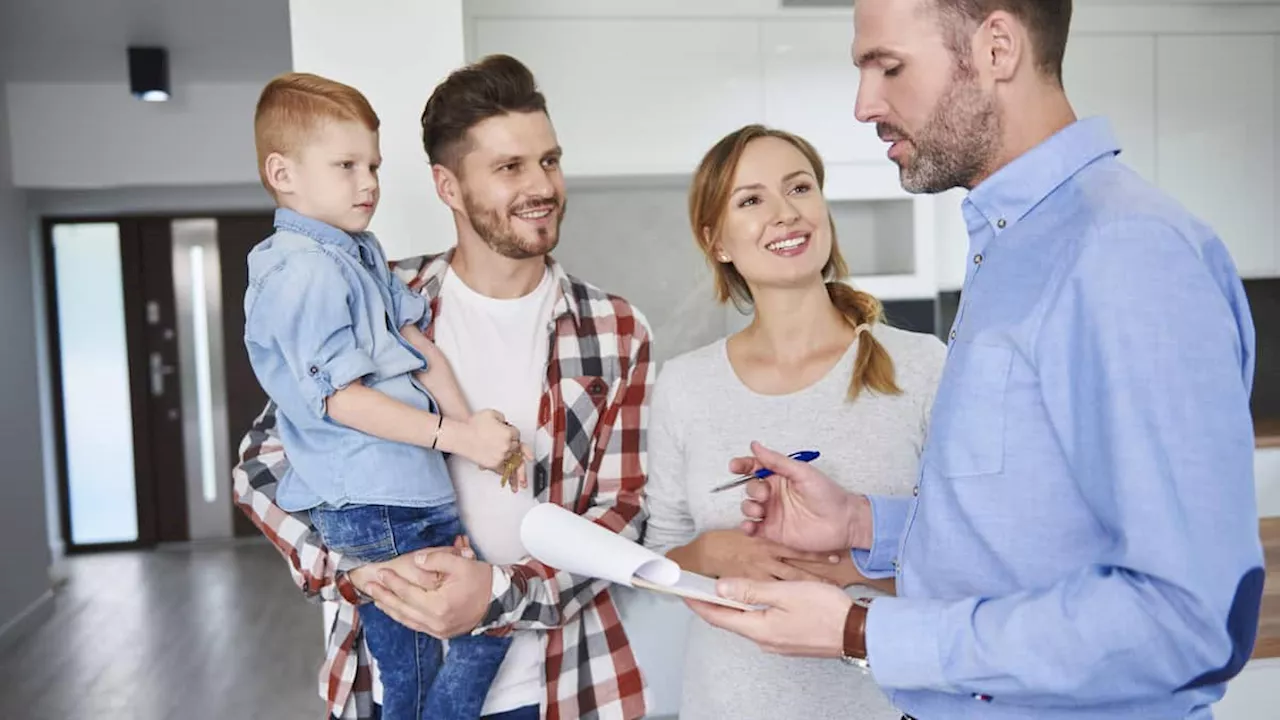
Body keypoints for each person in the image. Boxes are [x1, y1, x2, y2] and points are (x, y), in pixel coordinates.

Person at [688, 2, 1264, 719]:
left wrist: (861, 629)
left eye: (888, 67)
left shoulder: (1127, 254)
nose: (865, 104)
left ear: (997, 48)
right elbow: (1033, 529)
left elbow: (1189, 622)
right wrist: (865, 524)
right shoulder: (1016, 246)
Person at [232, 55, 653, 720]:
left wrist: (497, 593)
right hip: (388, 676)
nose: (542, 184)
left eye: (549, 160)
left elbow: (624, 510)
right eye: (509, 168)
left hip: (563, 687)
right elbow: (261, 465)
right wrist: (353, 574)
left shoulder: (616, 329)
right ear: (447, 186)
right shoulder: (374, 295)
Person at [245, 71, 525, 720]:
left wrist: (475, 432)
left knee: (484, 625)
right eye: (346, 165)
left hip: (411, 489)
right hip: (372, 503)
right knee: (419, 675)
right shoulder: (299, 269)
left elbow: (415, 345)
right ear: (283, 174)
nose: (369, 182)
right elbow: (341, 400)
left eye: (372, 164)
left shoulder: (359, 251)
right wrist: (459, 437)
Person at [641, 124, 945, 719]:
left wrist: (848, 566)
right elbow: (659, 560)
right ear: (717, 241)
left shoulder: (923, 366)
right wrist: (715, 551)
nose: (786, 213)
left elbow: (975, 560)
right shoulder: (684, 385)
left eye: (799, 188)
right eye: (751, 200)